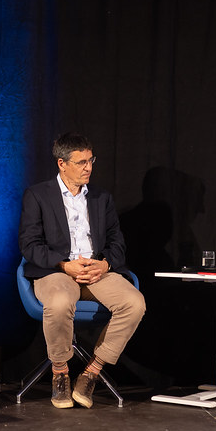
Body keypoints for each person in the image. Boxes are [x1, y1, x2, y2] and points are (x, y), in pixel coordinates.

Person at [18, 132, 146, 408]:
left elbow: (117, 243)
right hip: (57, 271)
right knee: (61, 300)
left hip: (95, 270)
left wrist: (105, 264)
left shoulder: (102, 198)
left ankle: (91, 373)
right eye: (81, 162)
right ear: (62, 164)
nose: (88, 167)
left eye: (91, 160)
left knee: (134, 303)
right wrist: (65, 265)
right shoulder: (38, 195)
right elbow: (29, 245)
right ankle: (60, 372)